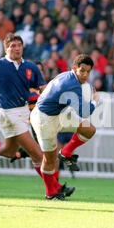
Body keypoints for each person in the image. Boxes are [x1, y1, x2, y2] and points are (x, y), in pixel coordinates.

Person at [0, 33, 74, 201]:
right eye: (12, 46)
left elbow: (42, 88)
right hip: (9, 114)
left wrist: (58, 87)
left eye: (19, 45)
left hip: (24, 112)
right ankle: (53, 191)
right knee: (38, 154)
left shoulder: (31, 67)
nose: (16, 48)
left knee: (9, 151)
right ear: (6, 49)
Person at [30, 54, 99, 199]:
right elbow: (85, 111)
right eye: (82, 71)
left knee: (89, 130)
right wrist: (94, 101)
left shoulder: (69, 77)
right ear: (74, 69)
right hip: (44, 119)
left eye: (88, 71)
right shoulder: (71, 84)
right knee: (49, 160)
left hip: (59, 113)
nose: (85, 74)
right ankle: (51, 193)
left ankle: (66, 153)